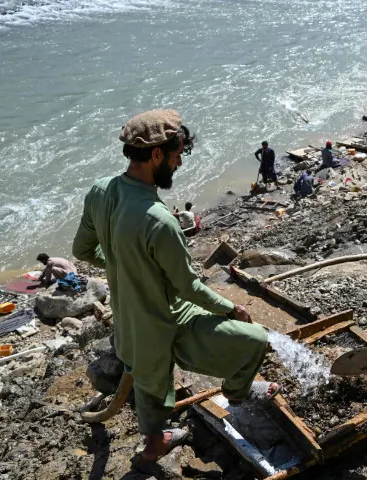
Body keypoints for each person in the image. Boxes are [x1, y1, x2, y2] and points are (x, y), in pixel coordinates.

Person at [72, 109, 276, 461]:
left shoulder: (100, 191)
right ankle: (237, 394)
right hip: (165, 322)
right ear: (155, 155)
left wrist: (123, 268)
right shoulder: (159, 221)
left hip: (128, 325)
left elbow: (81, 250)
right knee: (255, 340)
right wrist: (233, 309)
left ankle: (156, 439)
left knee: (150, 383)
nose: (180, 162)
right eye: (177, 154)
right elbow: (190, 289)